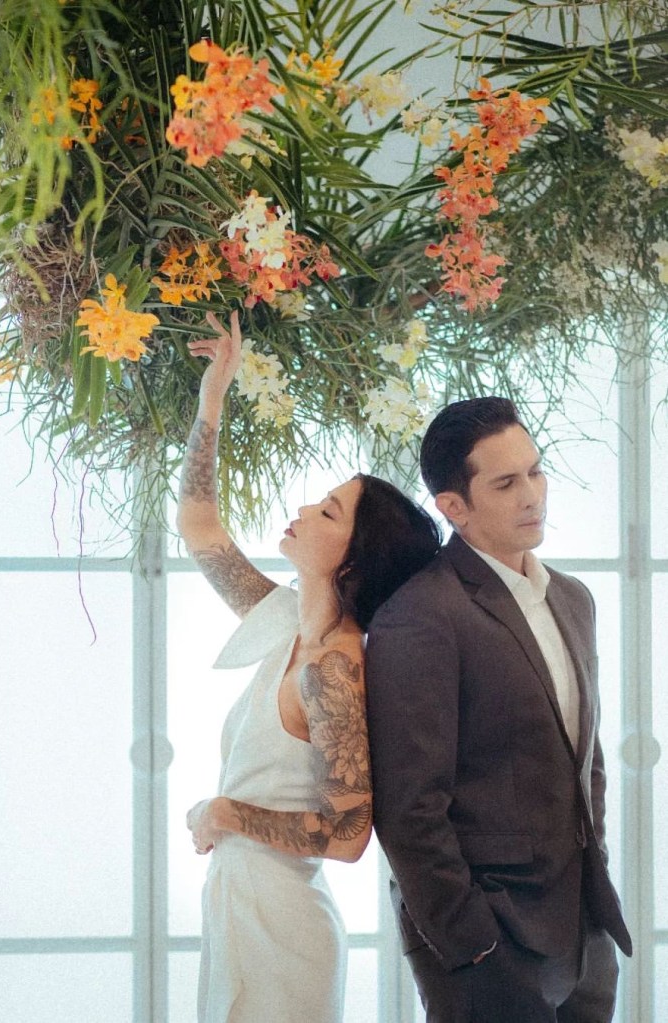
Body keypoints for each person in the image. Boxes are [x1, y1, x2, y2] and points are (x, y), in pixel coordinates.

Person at [178, 310, 441, 1023]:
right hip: (241, 912)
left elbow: (349, 833)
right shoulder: (284, 622)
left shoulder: (334, 667)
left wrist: (229, 812)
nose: (302, 508)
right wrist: (211, 399)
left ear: (354, 560)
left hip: (284, 930)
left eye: (327, 513)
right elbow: (198, 527)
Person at [365, 396, 632, 1023]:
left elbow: (584, 760)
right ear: (453, 506)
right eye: (506, 483)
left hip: (585, 930)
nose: (533, 495)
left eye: (536, 472)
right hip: (489, 942)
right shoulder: (421, 614)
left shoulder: (572, 598)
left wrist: (595, 881)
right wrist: (473, 942)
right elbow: (408, 807)